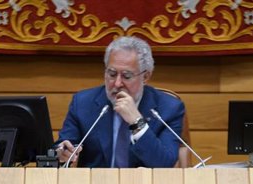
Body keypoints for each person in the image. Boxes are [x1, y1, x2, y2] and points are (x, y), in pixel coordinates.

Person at [55, 36, 185, 168]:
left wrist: (137, 122)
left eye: (126, 76)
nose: (117, 83)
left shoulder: (169, 108)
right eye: (111, 74)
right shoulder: (83, 103)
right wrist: (62, 153)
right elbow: (62, 149)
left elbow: (164, 164)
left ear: (145, 77)